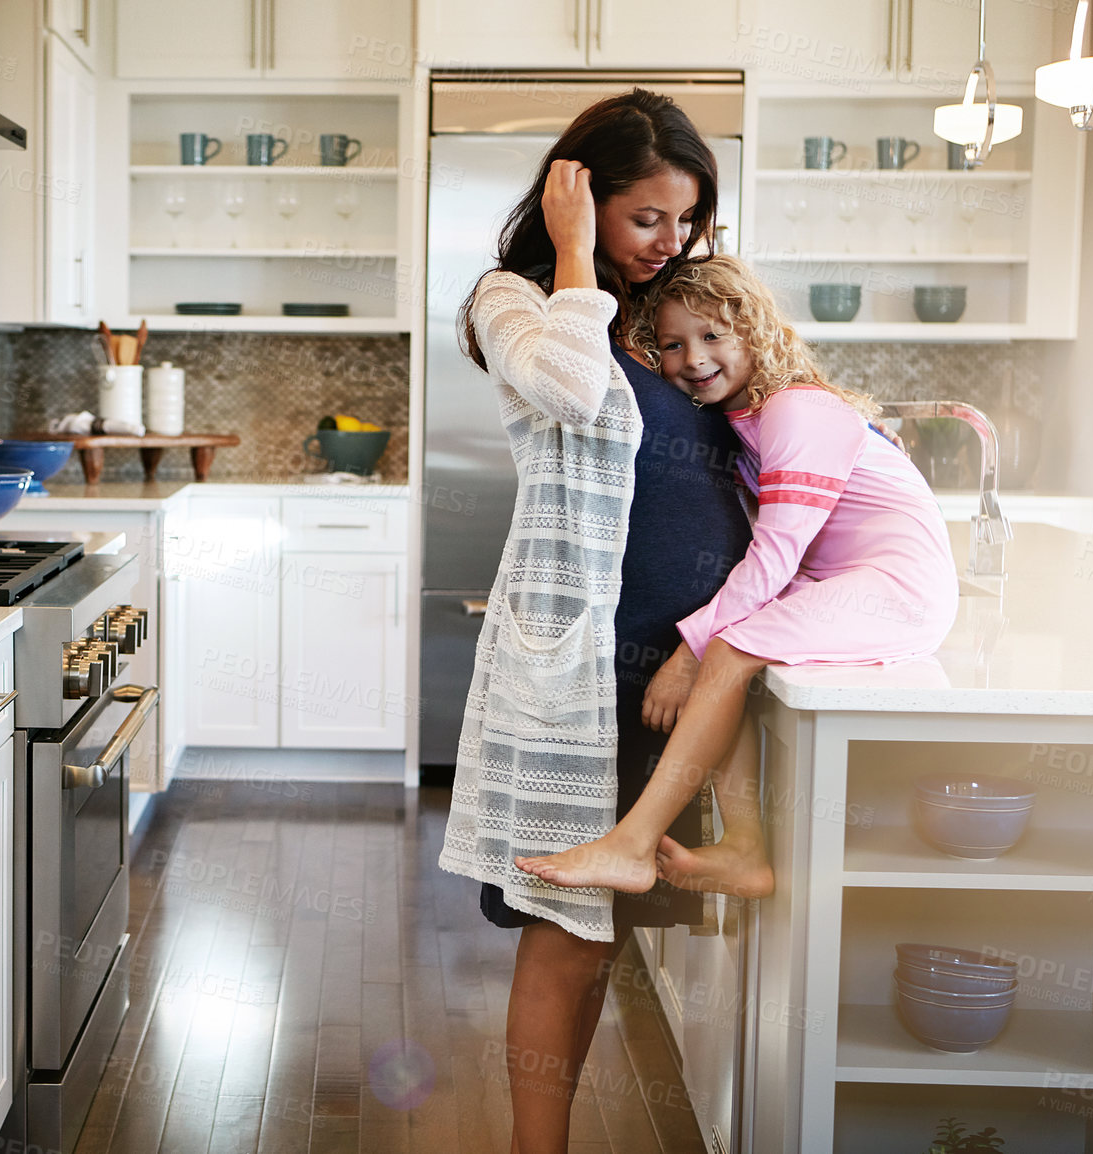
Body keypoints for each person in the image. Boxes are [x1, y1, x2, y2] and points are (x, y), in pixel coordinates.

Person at [436, 90, 747, 1154]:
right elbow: (570, 389)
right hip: (579, 665)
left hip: (677, 659)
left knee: (605, 928)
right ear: (581, 193)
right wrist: (572, 249)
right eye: (645, 217)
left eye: (686, 218)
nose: (671, 241)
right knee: (559, 932)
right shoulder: (512, 300)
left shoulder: (666, 305)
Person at [523, 253, 959, 900]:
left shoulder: (795, 410)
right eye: (672, 344)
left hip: (897, 591)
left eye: (712, 336)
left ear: (755, 333)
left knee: (727, 649)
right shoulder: (746, 417)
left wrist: (688, 651)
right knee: (732, 666)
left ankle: (633, 845)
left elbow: (776, 555)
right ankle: (745, 849)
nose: (692, 358)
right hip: (845, 585)